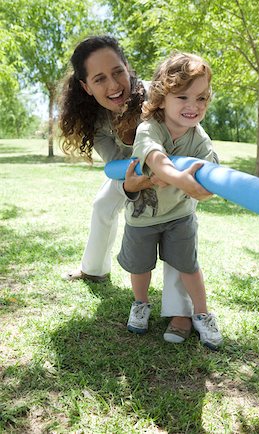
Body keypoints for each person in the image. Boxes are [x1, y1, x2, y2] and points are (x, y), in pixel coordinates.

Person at [58, 35, 212, 343]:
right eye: (99, 79)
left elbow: (190, 119)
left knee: (171, 222)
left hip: (170, 171)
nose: (113, 85)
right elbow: (116, 164)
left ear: (128, 67)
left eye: (117, 72)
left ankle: (179, 311)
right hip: (132, 173)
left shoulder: (158, 94)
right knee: (104, 203)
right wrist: (135, 182)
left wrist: (173, 171)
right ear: (87, 87)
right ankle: (94, 269)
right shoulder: (95, 119)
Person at [117, 52, 223, 350]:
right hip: (143, 216)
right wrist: (180, 179)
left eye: (201, 98)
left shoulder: (198, 137)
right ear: (162, 98)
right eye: (183, 97)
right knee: (140, 266)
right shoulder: (149, 127)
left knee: (188, 265)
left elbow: (210, 168)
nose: (194, 106)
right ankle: (140, 304)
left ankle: (201, 314)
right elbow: (157, 160)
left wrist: (206, 185)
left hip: (180, 215)